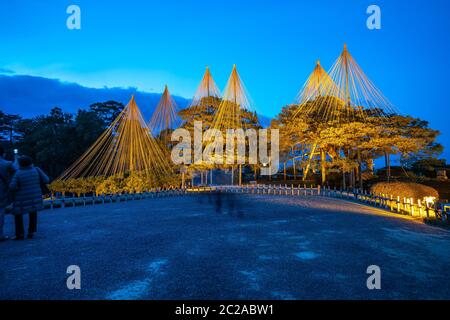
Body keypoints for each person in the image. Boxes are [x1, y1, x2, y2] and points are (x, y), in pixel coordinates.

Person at [9, 155, 49, 240]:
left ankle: (20, 234)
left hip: (21, 199)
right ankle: (31, 232)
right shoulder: (36, 170)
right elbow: (46, 180)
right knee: (33, 213)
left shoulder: (18, 173)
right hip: (35, 196)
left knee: (18, 215)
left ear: (20, 164)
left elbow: (12, 186)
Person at [0, 145, 16, 241]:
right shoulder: (7, 164)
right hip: (2, 191)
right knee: (1, 212)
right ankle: (0, 234)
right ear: (3, 154)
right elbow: (17, 173)